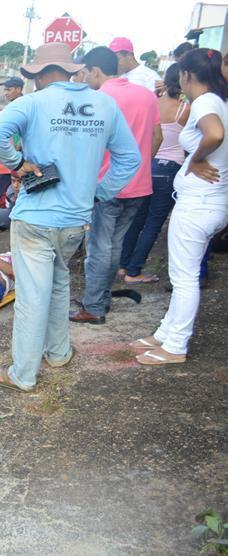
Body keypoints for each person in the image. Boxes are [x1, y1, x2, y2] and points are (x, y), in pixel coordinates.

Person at [0, 42, 140, 392]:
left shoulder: (34, 102)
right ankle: (58, 352)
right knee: (57, 281)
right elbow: (130, 159)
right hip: (75, 220)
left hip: (36, 217)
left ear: (37, 75)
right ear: (71, 70)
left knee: (32, 296)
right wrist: (100, 191)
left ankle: (22, 374)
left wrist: (15, 163)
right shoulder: (105, 104)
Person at [133, 48, 228, 366]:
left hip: (199, 204)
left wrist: (197, 158)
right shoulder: (218, 101)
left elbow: (215, 134)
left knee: (184, 278)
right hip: (208, 202)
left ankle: (175, 345)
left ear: (186, 76)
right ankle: (165, 333)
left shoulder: (206, 102)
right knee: (183, 272)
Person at [71, 47, 162, 325]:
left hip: (106, 186)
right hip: (139, 185)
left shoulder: (98, 99)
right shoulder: (146, 96)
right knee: (115, 247)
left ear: (95, 71)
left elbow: (85, 146)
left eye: (85, 73)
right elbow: (156, 136)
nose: (83, 78)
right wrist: (140, 167)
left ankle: (94, 306)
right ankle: (101, 298)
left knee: (99, 248)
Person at [119, 64, 189, 284]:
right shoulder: (185, 109)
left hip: (147, 166)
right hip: (169, 170)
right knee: (153, 224)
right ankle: (134, 271)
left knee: (136, 220)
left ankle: (123, 266)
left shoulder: (151, 102)